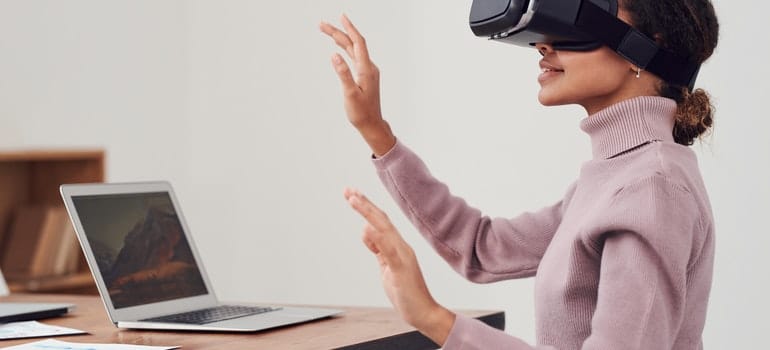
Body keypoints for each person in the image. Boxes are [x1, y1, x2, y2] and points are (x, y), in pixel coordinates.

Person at [320, 0, 719, 348]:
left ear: (647, 46)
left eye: (577, 21)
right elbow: (482, 249)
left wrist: (432, 318)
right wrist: (376, 130)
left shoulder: (652, 188)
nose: (542, 44)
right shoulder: (618, 177)